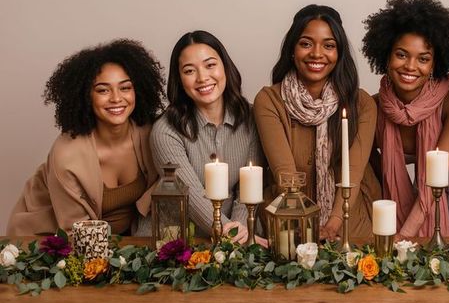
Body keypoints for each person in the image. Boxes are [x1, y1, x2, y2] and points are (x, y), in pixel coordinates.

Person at [7, 39, 165, 236]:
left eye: (125, 87)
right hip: (49, 239)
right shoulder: (67, 154)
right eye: (103, 90)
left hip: (120, 244)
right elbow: (75, 232)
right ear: (86, 96)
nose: (116, 98)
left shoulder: (152, 135)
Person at [254, 4, 381, 240]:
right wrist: (308, 229)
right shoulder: (269, 100)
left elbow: (353, 171)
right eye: (306, 43)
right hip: (289, 222)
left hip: (350, 223)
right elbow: (285, 175)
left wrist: (332, 224)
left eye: (329, 45)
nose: (316, 53)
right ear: (292, 49)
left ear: (339, 53)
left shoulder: (362, 103)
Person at [362, 0, 449, 238]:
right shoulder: (371, 107)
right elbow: (375, 175)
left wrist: (405, 236)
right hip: (400, 197)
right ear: (386, 55)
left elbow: (438, 175)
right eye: (401, 54)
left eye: (423, 59)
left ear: (435, 63)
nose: (411, 67)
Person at [151, 30, 266, 245]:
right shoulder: (165, 130)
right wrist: (230, 233)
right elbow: (190, 195)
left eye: (210, 65)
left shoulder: (251, 118)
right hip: (182, 238)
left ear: (225, 67)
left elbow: (247, 187)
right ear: (179, 79)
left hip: (240, 233)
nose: (202, 77)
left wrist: (241, 230)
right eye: (189, 70)